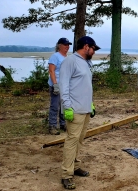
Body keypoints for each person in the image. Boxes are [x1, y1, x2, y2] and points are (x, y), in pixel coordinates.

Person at [58, 36, 100, 189]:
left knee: (80, 140)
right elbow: (63, 86)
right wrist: (67, 107)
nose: (94, 52)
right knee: (72, 141)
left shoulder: (86, 63)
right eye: (93, 49)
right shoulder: (70, 61)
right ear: (86, 46)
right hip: (74, 110)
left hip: (85, 109)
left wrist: (91, 105)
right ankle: (66, 174)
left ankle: (74, 167)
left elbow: (84, 86)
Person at [47, 37, 72, 135]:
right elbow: (51, 70)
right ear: (59, 46)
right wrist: (55, 84)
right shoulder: (55, 56)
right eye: (65, 45)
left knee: (64, 105)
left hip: (65, 85)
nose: (67, 47)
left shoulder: (67, 57)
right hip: (56, 85)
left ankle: (63, 124)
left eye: (68, 45)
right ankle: (52, 126)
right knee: (55, 106)